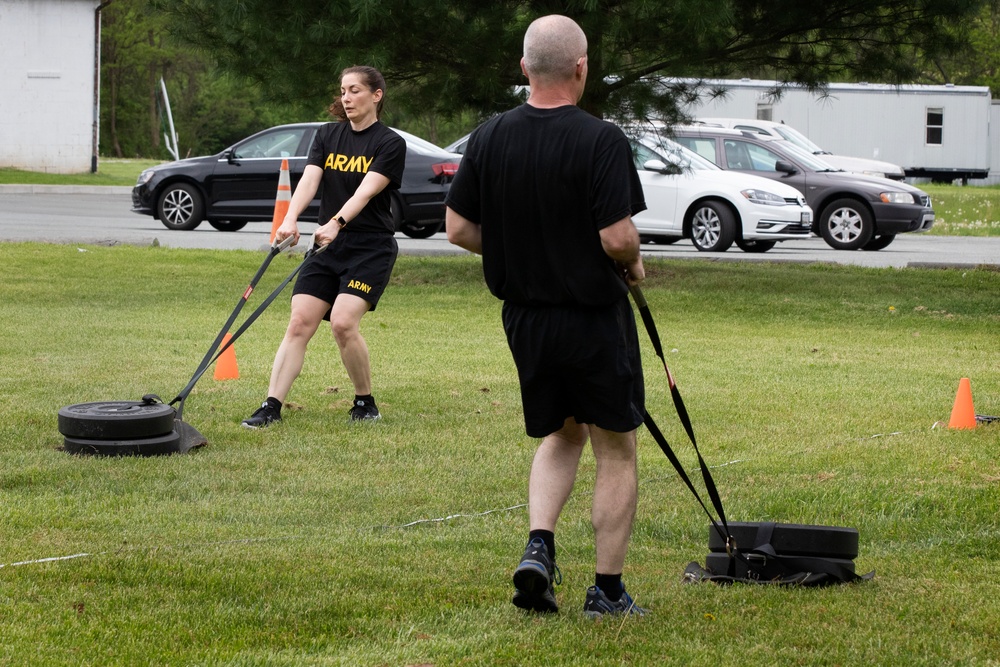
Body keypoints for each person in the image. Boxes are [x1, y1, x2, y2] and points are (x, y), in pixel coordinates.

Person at [445, 15, 648, 617]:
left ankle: (540, 548)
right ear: (581, 68)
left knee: (562, 432)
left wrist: (518, 250)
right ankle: (607, 593)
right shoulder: (600, 139)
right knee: (615, 447)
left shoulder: (489, 136)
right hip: (590, 318)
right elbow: (616, 237)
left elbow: (457, 228)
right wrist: (634, 266)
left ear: (525, 67)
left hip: (525, 319)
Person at [241, 66, 406, 429]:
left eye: (355, 90)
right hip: (325, 246)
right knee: (299, 321)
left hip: (370, 246)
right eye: (343, 91)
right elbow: (310, 180)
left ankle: (365, 402)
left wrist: (335, 223)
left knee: (344, 323)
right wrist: (290, 218)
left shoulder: (389, 143)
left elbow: (367, 191)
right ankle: (271, 406)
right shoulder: (327, 135)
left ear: (376, 95)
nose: (346, 98)